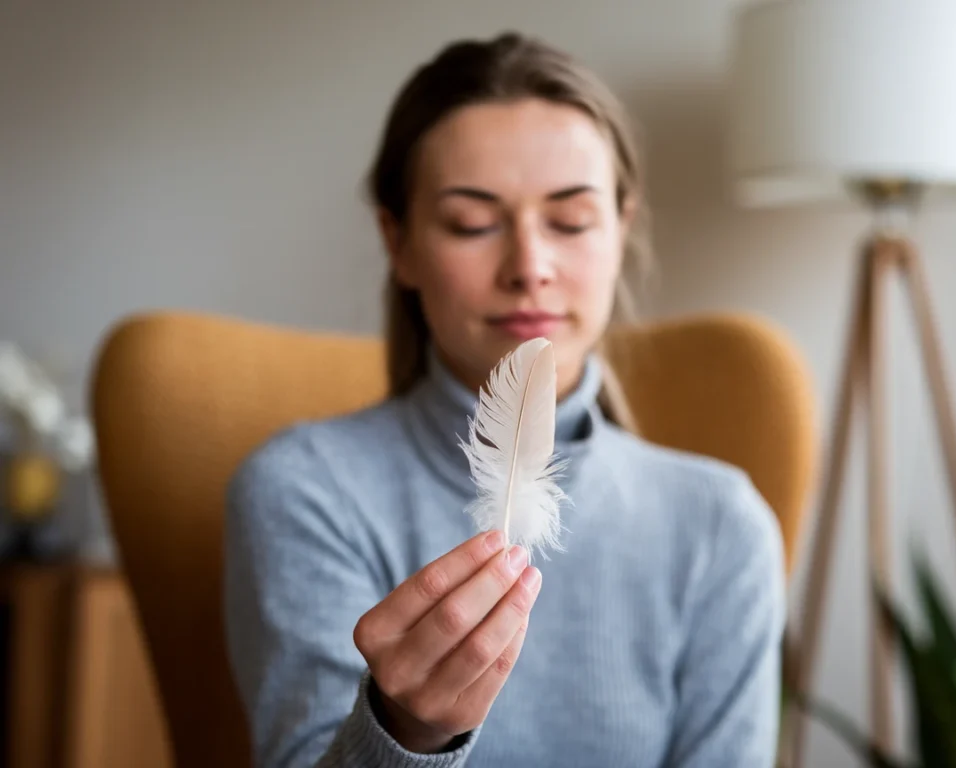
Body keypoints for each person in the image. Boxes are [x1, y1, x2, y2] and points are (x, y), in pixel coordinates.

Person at [223, 31, 785, 768]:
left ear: (622, 228)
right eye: (472, 223)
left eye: (572, 220)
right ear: (399, 243)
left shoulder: (719, 525)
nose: (530, 267)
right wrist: (402, 734)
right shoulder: (307, 488)